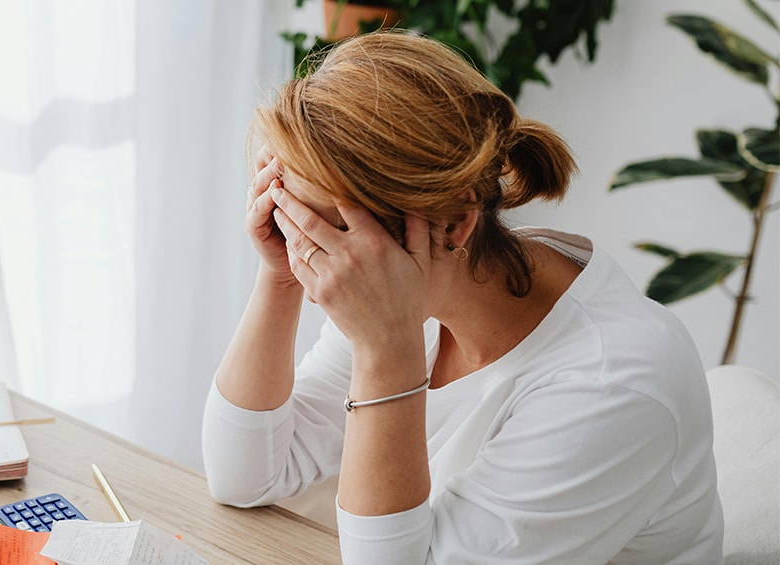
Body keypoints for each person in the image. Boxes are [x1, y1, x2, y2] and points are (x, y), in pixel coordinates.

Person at [201, 31, 723, 564]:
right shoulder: (420, 278)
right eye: (290, 222)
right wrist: (279, 277)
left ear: (453, 223)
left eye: (325, 237)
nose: (316, 270)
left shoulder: (612, 384)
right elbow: (243, 476)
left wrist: (386, 350)